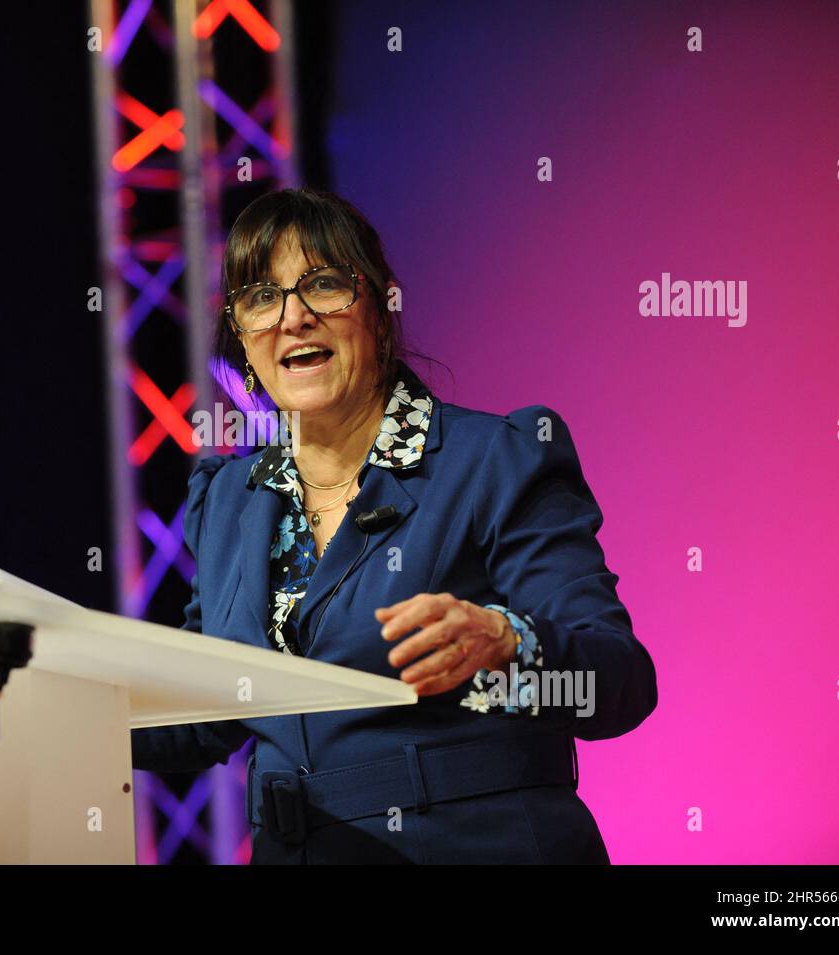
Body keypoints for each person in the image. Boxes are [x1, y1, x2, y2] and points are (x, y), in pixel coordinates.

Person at [132, 187, 658, 864]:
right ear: (241, 335)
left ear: (378, 308)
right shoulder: (230, 496)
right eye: (262, 297)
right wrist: (53, 708)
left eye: (322, 286)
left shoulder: (494, 461)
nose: (293, 318)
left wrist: (508, 645)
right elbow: (204, 712)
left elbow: (618, 683)